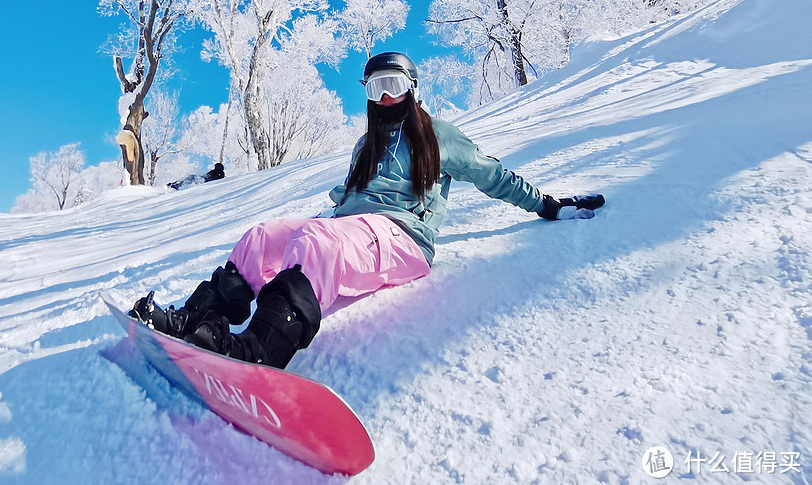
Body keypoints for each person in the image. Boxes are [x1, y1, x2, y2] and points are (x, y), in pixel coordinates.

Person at [130, 51, 604, 369]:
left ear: (413, 89)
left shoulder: (438, 136)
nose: (384, 99)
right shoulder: (366, 143)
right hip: (353, 231)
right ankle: (194, 319)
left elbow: (492, 174)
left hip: (403, 241)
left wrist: (546, 205)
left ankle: (257, 350)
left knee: (314, 241)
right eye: (375, 88)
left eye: (394, 86)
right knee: (263, 235)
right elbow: (350, 200)